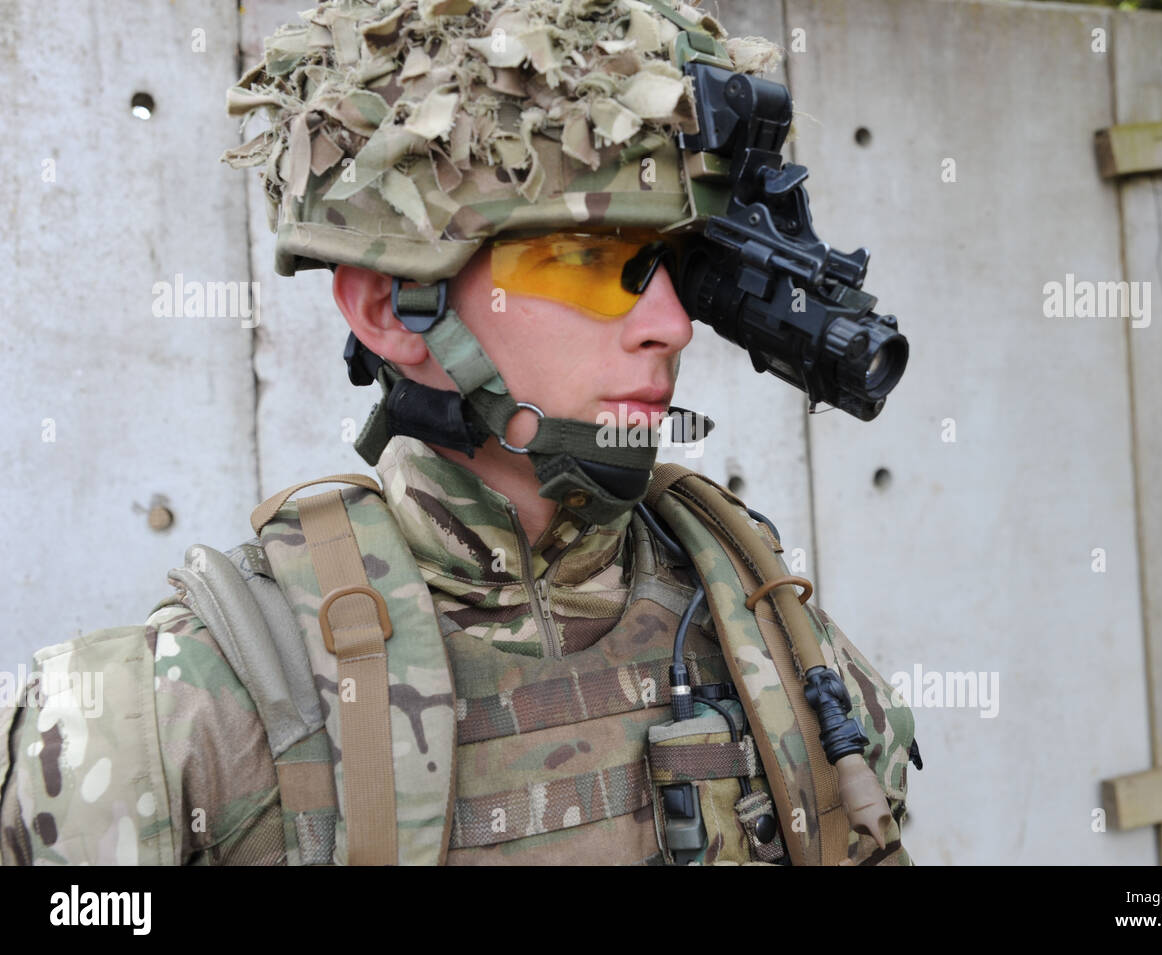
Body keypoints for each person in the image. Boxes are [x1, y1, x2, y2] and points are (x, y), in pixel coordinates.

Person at [0, 0, 916, 866]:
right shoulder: (164, 720)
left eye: (673, 266)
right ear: (390, 308)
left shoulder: (773, 636)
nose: (669, 326)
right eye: (589, 260)